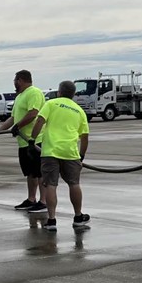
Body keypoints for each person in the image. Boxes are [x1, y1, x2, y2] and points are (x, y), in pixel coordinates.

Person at [32, 81, 91, 233]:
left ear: (59, 92)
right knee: (74, 184)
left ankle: (51, 220)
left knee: (51, 185)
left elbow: (40, 121)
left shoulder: (51, 104)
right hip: (70, 153)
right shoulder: (79, 111)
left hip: (50, 151)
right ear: (73, 95)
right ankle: (78, 217)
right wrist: (81, 155)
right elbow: (84, 137)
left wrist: (32, 139)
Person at [0, 70, 46, 212]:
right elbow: (13, 118)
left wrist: (17, 126)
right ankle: (31, 199)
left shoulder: (34, 92)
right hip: (23, 142)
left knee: (39, 172)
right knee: (30, 173)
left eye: (15, 80)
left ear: (20, 80)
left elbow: (33, 113)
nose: (14, 83)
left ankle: (43, 202)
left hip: (35, 140)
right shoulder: (20, 96)